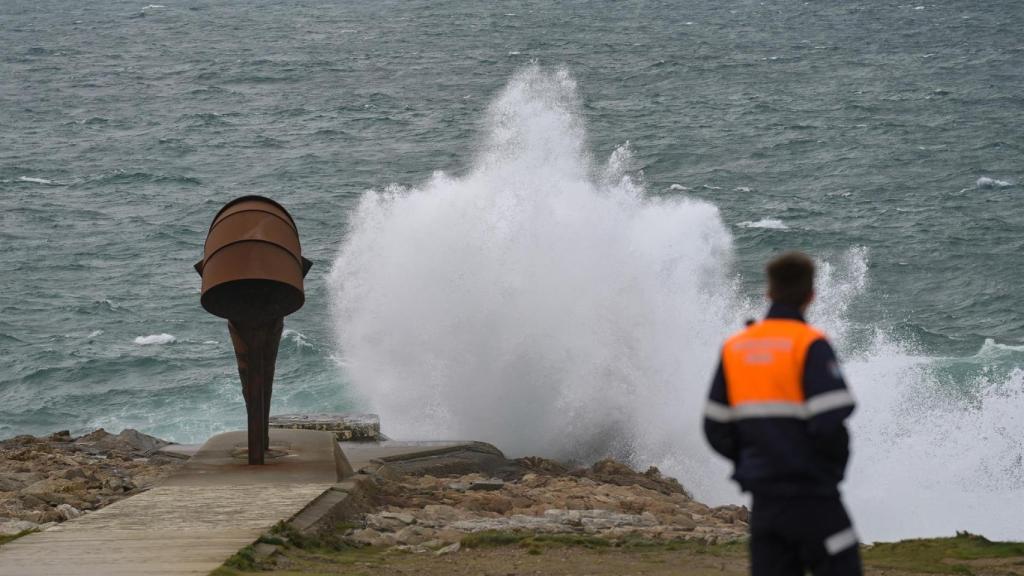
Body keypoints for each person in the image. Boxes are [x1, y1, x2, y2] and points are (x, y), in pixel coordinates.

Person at [703, 251, 861, 576]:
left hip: (765, 503)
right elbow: (832, 423)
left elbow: (714, 426)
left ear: (769, 293)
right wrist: (828, 474)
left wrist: (750, 461)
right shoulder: (810, 343)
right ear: (811, 296)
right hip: (814, 498)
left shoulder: (736, 347)